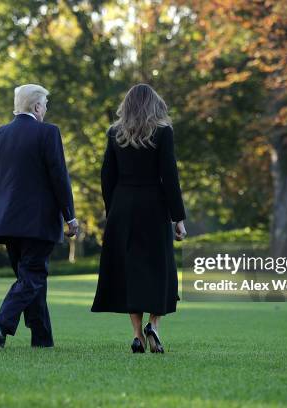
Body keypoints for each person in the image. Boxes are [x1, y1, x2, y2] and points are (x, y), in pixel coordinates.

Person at [0, 84, 79, 349]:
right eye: (45, 104)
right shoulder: (48, 133)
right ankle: (1, 324)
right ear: (36, 107)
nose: (46, 109)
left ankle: (42, 340)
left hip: (6, 223)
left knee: (30, 282)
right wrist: (70, 216)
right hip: (39, 222)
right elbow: (59, 177)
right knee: (32, 278)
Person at [91, 84, 187, 353]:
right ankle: (153, 326)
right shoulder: (163, 132)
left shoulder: (114, 133)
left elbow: (106, 175)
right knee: (159, 268)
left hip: (123, 206)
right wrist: (178, 217)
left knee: (130, 271)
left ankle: (136, 335)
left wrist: (113, 211)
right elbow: (170, 176)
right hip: (154, 207)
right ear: (154, 105)